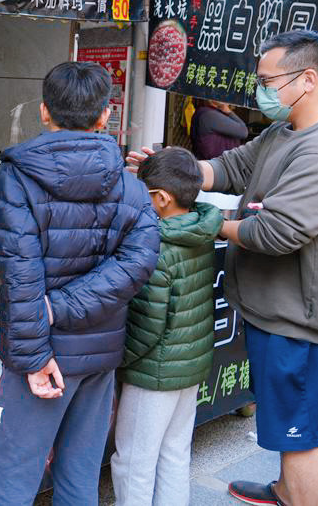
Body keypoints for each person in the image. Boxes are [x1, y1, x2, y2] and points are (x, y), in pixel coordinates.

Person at [128, 31, 318, 506]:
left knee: (300, 430)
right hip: (279, 310)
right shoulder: (288, 130)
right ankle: (285, 489)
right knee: (289, 420)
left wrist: (206, 220)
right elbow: (232, 167)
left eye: (267, 80)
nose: (259, 89)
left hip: (303, 318)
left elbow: (275, 233)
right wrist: (172, 170)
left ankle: (296, 497)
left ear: (306, 80)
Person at [0, 61, 160, 505]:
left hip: (41, 355)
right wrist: (62, 307)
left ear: (44, 112)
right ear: (104, 116)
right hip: (98, 356)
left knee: (9, 482)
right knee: (79, 481)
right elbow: (139, 262)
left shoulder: (18, 175)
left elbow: (20, 276)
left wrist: (41, 342)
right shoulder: (129, 183)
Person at [110, 146, 223, 506]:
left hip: (154, 371)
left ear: (160, 198)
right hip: (189, 365)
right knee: (174, 453)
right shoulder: (199, 229)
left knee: (132, 462)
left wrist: (121, 361)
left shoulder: (158, 246)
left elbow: (146, 324)